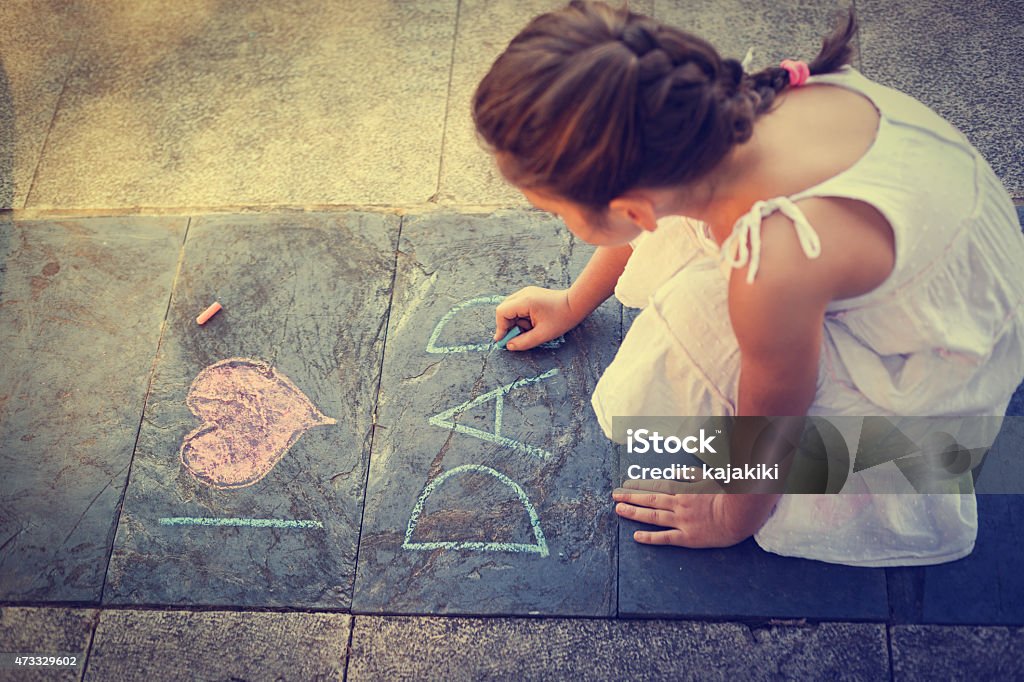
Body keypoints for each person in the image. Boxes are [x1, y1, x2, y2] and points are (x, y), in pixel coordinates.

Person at [472, 1, 1024, 565]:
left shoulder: (773, 266)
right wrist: (573, 301)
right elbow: (657, 214)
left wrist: (730, 514)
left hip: (945, 349)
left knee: (697, 320)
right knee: (706, 253)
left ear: (630, 208)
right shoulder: (731, 116)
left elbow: (778, 407)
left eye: (553, 210)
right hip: (952, 264)